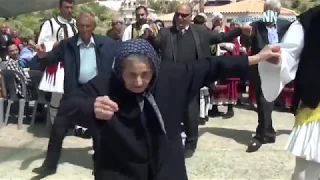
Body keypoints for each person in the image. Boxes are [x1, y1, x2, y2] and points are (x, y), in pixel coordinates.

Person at [59, 38, 280, 179]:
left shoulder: (171, 76)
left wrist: (257, 58)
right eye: (131, 75)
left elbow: (212, 66)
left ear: (154, 69)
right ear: (119, 71)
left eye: (144, 74)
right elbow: (69, 104)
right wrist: (91, 107)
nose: (138, 81)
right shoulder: (105, 84)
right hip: (119, 168)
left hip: (166, 164)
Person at [150, 3, 252, 158]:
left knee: (191, 113)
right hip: (172, 78)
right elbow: (155, 45)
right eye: (178, 14)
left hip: (193, 78)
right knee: (170, 112)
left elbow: (221, 37)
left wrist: (240, 30)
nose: (180, 18)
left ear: (190, 17)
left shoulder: (200, 31)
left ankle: (191, 144)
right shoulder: (165, 33)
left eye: (184, 15)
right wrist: (149, 36)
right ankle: (169, 142)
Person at [32, 12, 119, 178]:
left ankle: (100, 165)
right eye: (81, 26)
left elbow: (121, 59)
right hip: (73, 92)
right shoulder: (67, 44)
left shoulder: (107, 43)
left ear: (94, 27)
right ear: (77, 26)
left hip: (96, 92)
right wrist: (42, 56)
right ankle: (49, 166)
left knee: (99, 131)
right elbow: (51, 59)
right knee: (58, 128)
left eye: (88, 26)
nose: (85, 29)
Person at [258, 5, 320, 180]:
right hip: (315, 106)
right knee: (308, 170)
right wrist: (276, 60)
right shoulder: (309, 20)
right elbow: (288, 53)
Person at [246, 0, 292, 153]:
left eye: (275, 12)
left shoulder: (285, 26)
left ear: (278, 14)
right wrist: (246, 34)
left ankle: (261, 134)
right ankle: (268, 132)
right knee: (263, 99)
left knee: (266, 99)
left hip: (277, 69)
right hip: (260, 68)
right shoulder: (255, 26)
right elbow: (246, 41)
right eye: (268, 11)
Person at [37, 0, 78, 127]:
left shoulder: (76, 23)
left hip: (73, 64)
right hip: (57, 64)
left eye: (71, 7)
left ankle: (71, 124)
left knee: (74, 94)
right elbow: (41, 44)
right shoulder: (50, 23)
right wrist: (56, 44)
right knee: (57, 95)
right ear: (60, 8)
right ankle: (55, 127)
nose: (69, 10)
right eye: (66, 7)